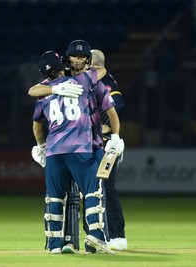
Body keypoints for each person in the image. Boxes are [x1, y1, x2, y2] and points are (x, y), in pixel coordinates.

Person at [29, 40, 123, 254]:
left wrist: (41, 146)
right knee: (94, 192)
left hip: (54, 149)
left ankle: (55, 244)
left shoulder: (44, 90)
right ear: (65, 60)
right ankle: (96, 238)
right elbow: (103, 72)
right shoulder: (85, 80)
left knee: (55, 197)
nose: (77, 60)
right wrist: (116, 136)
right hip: (81, 147)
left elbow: (34, 110)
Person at [90, 49, 128, 251]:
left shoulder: (107, 83)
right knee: (95, 189)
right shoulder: (94, 82)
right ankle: (99, 233)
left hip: (107, 143)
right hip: (95, 142)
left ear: (93, 64)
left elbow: (119, 106)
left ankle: (117, 235)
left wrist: (107, 128)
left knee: (107, 189)